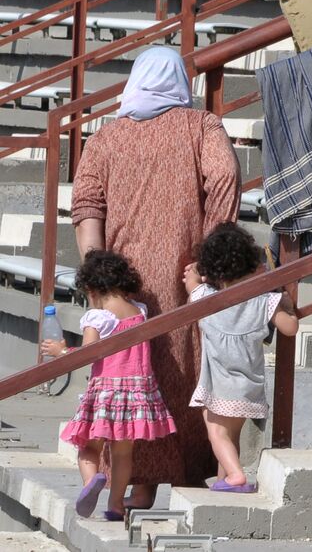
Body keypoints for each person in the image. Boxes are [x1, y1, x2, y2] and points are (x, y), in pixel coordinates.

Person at [70, 45, 241, 504]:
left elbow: (87, 204)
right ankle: (188, 476)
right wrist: (210, 254)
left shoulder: (107, 137)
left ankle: (134, 485)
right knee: (185, 367)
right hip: (186, 275)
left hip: (122, 284)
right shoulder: (201, 125)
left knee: (126, 376)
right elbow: (224, 178)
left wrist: (98, 277)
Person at [42, 251, 178, 521]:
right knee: (122, 454)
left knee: (88, 447)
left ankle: (91, 481)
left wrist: (61, 352)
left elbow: (88, 354)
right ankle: (116, 504)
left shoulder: (98, 317)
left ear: (92, 288)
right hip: (137, 393)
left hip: (106, 393)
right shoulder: (139, 311)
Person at [184, 223, 299, 492]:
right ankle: (225, 480)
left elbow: (192, 285)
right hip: (249, 387)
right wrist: (286, 305)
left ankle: (236, 476)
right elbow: (290, 328)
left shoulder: (204, 298)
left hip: (220, 385)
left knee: (216, 432)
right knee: (230, 437)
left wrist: (195, 274)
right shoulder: (263, 302)